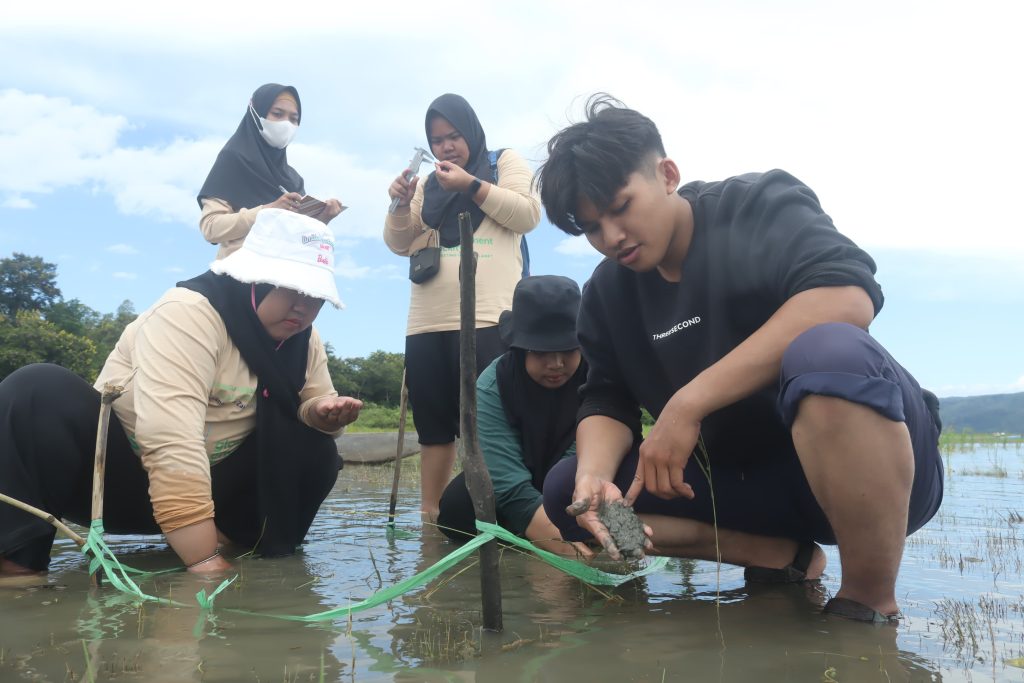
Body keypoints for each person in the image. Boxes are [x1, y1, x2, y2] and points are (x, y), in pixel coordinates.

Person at [535, 95, 944, 624]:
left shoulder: (757, 205)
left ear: (666, 174)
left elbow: (846, 296)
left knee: (829, 350)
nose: (611, 237)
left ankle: (866, 602)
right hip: (745, 485)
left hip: (874, 473)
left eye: (620, 207)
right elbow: (605, 397)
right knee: (567, 492)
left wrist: (688, 403)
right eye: (591, 228)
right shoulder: (607, 295)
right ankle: (778, 556)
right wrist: (594, 476)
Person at [0, 210, 361, 576]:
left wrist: (320, 413)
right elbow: (170, 438)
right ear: (256, 279)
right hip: (118, 481)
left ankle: (236, 547)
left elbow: (313, 399)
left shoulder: (305, 341)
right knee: (35, 390)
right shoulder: (189, 313)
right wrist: (203, 563)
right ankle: (17, 567)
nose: (303, 306)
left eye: (315, 295)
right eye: (292, 288)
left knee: (317, 450)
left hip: (215, 489)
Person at [384, 93, 540, 519]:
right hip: (427, 323)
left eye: (453, 136)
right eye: (436, 140)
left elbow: (527, 214)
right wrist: (399, 203)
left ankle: (510, 512)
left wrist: (471, 185)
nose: (446, 147)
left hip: (491, 317)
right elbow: (400, 243)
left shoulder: (501, 162)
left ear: (470, 132)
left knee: (495, 423)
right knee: (434, 430)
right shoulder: (428, 185)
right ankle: (431, 521)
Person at [436, 276, 592, 558]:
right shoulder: (492, 385)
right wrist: (569, 555)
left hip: (577, 480)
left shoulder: (597, 377)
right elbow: (507, 484)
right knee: (458, 508)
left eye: (568, 350)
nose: (556, 364)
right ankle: (525, 540)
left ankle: (573, 533)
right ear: (519, 349)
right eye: (542, 352)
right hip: (517, 478)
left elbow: (594, 459)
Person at [197, 83, 345, 259]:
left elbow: (295, 236)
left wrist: (322, 219)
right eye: (277, 114)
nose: (286, 124)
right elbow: (211, 228)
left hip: (285, 269)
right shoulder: (233, 159)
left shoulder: (293, 179)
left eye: (293, 118)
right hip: (239, 271)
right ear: (256, 113)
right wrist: (267, 211)